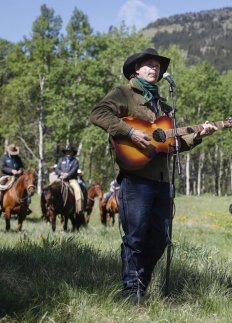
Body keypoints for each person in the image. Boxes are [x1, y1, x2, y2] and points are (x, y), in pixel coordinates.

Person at [90, 48, 217, 302]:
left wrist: (200, 133)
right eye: (148, 65)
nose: (154, 69)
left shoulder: (164, 107)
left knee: (161, 239)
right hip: (135, 178)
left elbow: (171, 143)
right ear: (136, 69)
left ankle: (140, 285)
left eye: (157, 66)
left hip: (162, 181)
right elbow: (98, 113)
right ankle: (131, 292)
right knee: (135, 237)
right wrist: (129, 132)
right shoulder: (123, 93)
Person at [0, 144, 24, 210]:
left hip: (16, 176)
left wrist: (20, 171)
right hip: (5, 176)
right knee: (1, 186)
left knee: (24, 186)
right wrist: (11, 170)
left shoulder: (17, 158)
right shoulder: (4, 157)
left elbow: (21, 166)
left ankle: (25, 204)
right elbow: (2, 167)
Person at [55, 146, 83, 215]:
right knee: (50, 188)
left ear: (72, 153)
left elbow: (74, 170)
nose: (68, 153)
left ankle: (79, 209)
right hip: (60, 178)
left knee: (78, 190)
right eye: (67, 151)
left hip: (71, 180)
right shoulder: (61, 159)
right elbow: (57, 169)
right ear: (65, 152)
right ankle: (48, 207)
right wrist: (61, 174)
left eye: (70, 151)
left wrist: (67, 175)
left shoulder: (75, 161)